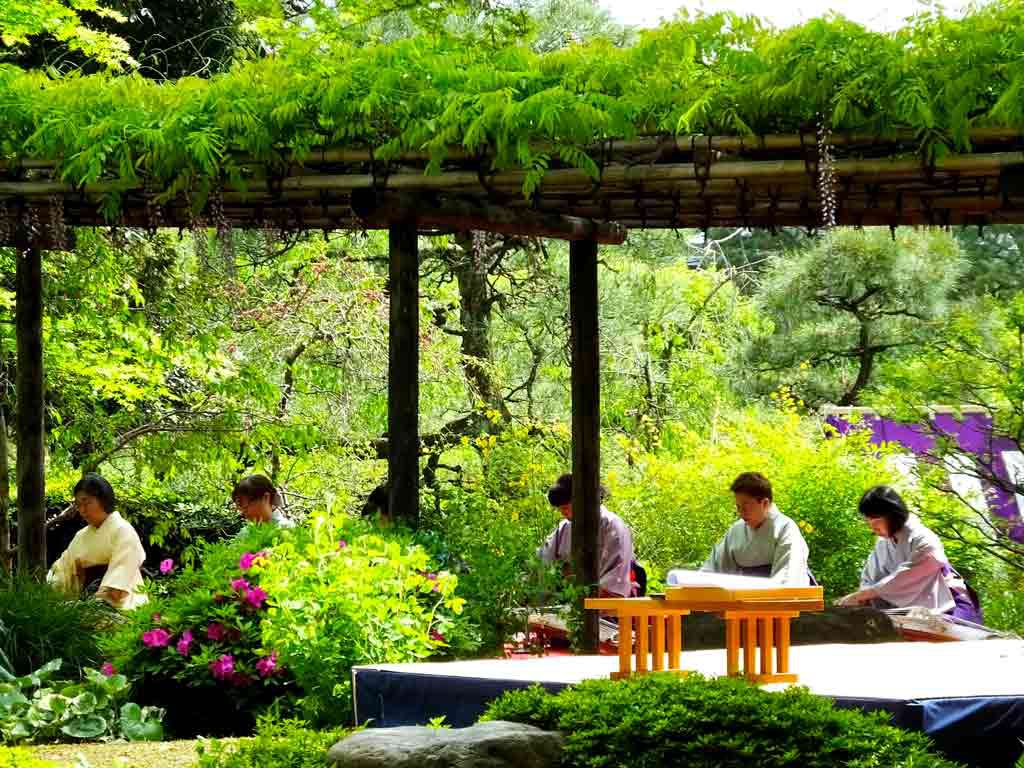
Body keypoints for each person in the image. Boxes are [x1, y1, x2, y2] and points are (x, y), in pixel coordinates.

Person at [836, 485, 983, 622]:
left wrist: (866, 594)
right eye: (869, 523)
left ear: (892, 515)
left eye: (875, 522)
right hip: (905, 612)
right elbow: (870, 577)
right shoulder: (882, 544)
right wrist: (862, 597)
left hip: (946, 603)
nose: (873, 529)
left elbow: (904, 577)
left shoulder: (924, 538)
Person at [47, 474, 148, 610]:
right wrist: (48, 591)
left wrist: (94, 606)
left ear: (103, 500)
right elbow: (62, 571)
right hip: (86, 605)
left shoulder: (123, 531)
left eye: (87, 502)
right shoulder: (81, 536)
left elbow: (118, 582)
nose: (82, 510)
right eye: (78, 505)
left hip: (124, 605)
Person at [700, 472, 812, 586]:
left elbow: (788, 577)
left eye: (746, 506)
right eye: (738, 507)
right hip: (745, 597)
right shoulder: (736, 530)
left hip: (778, 598)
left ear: (764, 503)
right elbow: (712, 569)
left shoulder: (785, 528)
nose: (740, 512)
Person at [537, 473, 635, 598]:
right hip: (569, 599)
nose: (563, 513)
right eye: (560, 509)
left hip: (611, 606)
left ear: (583, 501)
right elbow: (544, 562)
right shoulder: (565, 527)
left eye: (566, 507)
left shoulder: (613, 526)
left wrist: (583, 588)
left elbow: (616, 580)